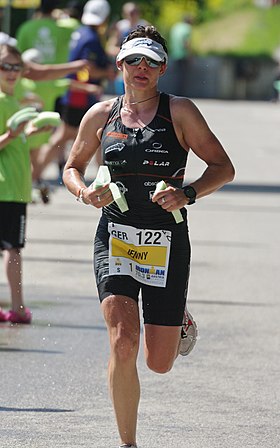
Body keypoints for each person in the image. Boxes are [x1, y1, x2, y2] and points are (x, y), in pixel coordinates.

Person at [63, 25, 235, 448]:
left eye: (152, 61)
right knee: (123, 342)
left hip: (167, 241)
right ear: (120, 63)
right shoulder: (100, 115)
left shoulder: (180, 112)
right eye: (134, 59)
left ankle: (179, 321)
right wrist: (85, 192)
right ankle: (128, 443)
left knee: (158, 363)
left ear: (163, 69)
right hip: (116, 237)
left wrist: (187, 193)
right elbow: (72, 167)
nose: (142, 67)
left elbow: (222, 168)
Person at [0, 44, 53, 324]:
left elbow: (13, 138)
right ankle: (18, 308)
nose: (11, 72)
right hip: (6, 188)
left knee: (8, 248)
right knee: (13, 249)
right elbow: (5, 139)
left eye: (15, 67)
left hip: (15, 187)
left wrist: (31, 131)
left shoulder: (12, 100)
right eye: (4, 66)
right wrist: (11, 134)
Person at [35, 0, 115, 183]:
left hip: (75, 94)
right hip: (81, 95)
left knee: (83, 135)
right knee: (72, 135)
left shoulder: (81, 32)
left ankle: (36, 172)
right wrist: (107, 72)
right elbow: (87, 69)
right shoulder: (92, 38)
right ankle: (35, 173)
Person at [169, 15, 193, 96]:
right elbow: (186, 43)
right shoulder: (187, 28)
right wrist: (190, 55)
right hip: (183, 55)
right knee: (183, 76)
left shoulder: (176, 27)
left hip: (175, 53)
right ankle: (182, 94)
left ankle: (175, 93)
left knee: (176, 75)